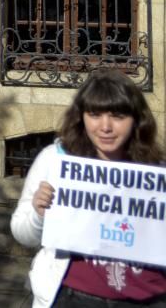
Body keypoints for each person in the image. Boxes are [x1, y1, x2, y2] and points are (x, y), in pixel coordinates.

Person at [11, 69, 166, 307]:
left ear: (136, 119)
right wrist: (39, 214)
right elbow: (22, 233)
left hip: (149, 298)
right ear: (81, 117)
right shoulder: (56, 160)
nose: (105, 127)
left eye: (117, 116)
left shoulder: (157, 172)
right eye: (94, 114)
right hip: (74, 298)